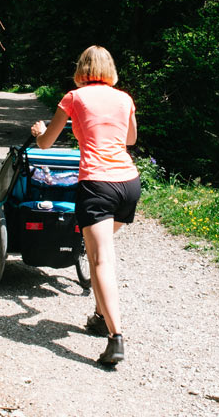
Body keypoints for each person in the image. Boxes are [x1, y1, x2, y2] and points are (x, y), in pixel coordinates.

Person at [30, 46, 140, 365]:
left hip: (98, 184)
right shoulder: (124, 99)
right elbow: (129, 140)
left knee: (101, 258)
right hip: (129, 185)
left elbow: (46, 143)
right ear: (110, 69)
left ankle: (115, 337)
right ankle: (98, 315)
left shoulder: (73, 98)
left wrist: (39, 132)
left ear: (81, 69)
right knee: (96, 253)